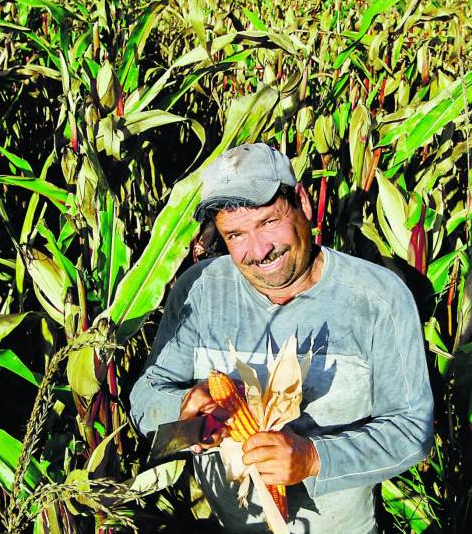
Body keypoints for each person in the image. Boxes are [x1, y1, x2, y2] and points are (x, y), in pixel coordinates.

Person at [130, 143, 434, 533]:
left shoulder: (377, 298)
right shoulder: (200, 290)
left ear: (302, 202)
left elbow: (411, 431)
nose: (259, 250)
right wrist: (185, 409)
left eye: (269, 222)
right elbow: (144, 402)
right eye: (235, 234)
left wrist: (314, 458)